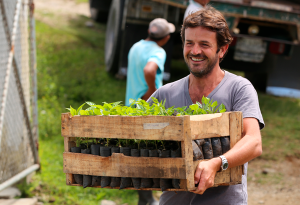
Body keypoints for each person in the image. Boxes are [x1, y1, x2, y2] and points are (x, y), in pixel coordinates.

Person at [149, 6, 264, 205]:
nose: (195, 51)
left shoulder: (238, 88)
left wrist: (217, 163)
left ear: (222, 50)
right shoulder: (165, 94)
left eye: (204, 44)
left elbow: (254, 142)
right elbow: (136, 135)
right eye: (189, 43)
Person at [125, 18, 175, 106]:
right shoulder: (158, 51)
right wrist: (152, 91)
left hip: (131, 105)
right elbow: (149, 70)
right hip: (145, 106)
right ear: (167, 37)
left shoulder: (136, 46)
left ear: (149, 31)